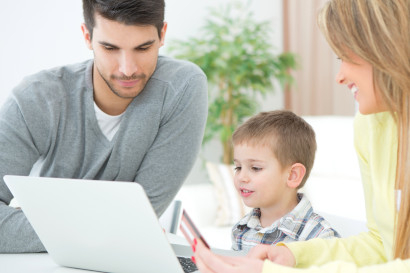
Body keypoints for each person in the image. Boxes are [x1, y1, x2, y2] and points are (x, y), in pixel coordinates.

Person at [192, 0, 410, 272]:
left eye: (347, 57)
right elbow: (381, 245)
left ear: (387, 48)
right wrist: (293, 256)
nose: (339, 77)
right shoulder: (370, 125)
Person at [0, 0, 207, 253]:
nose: (128, 69)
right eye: (110, 48)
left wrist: (55, 227)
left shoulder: (182, 87)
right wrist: (104, 228)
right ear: (87, 36)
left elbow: (137, 221)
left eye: (143, 48)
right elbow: (126, 225)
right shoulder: (35, 99)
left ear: (162, 35)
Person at [231, 110, 339, 252]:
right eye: (238, 167)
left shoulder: (320, 238)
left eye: (255, 168)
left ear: (292, 175)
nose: (241, 177)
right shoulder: (241, 230)